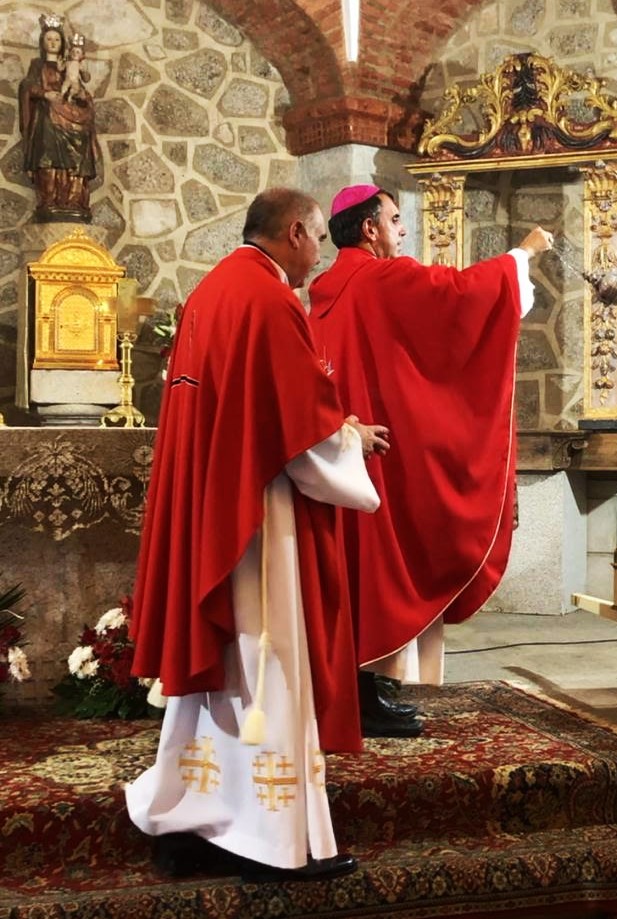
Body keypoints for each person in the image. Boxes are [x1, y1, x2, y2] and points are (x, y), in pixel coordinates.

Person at [125, 188, 380, 883]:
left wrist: (338, 432)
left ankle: (190, 817)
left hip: (217, 507)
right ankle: (272, 839)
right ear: (294, 230)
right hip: (255, 523)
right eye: (318, 239)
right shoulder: (267, 301)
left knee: (218, 683)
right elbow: (301, 435)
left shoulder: (217, 288)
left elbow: (265, 408)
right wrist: (353, 451)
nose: (319, 253)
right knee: (265, 671)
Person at [309, 184, 553, 737]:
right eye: (395, 220)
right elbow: (461, 294)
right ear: (369, 229)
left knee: (354, 573)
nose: (403, 231)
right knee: (376, 570)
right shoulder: (382, 278)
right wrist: (524, 253)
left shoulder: (327, 288)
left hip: (339, 450)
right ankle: (364, 698)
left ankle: (361, 691)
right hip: (375, 452)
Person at [18, 15, 99, 222]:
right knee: (47, 142)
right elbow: (27, 86)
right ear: (43, 43)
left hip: (70, 114)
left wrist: (81, 94)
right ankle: (50, 199)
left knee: (81, 143)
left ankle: (74, 200)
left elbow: (82, 90)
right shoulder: (38, 65)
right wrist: (45, 94)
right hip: (49, 116)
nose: (53, 43)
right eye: (49, 39)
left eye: (57, 39)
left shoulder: (68, 64)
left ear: (63, 43)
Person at [59, 36, 88, 102]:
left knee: (75, 89)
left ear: (81, 55)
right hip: (67, 79)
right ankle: (61, 96)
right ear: (70, 53)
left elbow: (83, 70)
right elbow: (61, 68)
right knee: (64, 88)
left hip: (75, 81)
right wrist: (59, 63)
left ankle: (70, 97)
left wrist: (84, 66)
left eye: (78, 52)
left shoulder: (78, 64)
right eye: (73, 51)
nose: (75, 54)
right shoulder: (67, 62)